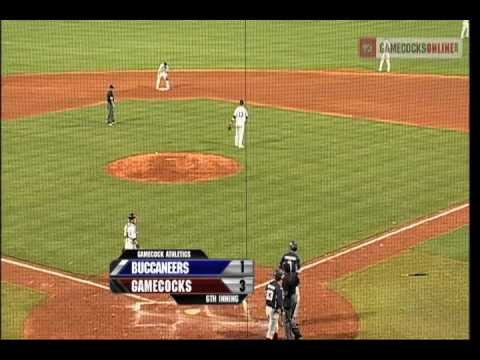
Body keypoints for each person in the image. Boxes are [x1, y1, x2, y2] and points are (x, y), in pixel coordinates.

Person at [279, 241, 301, 320]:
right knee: (296, 298)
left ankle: (282, 313)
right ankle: (293, 317)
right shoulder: (296, 257)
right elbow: (298, 271)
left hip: (285, 280)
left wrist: (283, 277)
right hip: (292, 280)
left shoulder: (285, 256)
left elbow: (280, 268)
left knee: (284, 296)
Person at [282, 261, 303, 340]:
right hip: (294, 298)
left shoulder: (285, 279)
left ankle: (290, 337)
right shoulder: (294, 275)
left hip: (288, 300)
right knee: (291, 317)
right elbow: (298, 283)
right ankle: (297, 334)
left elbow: (286, 292)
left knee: (287, 320)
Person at [265, 269, 284, 340]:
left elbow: (266, 290)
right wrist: (281, 310)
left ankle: (276, 337)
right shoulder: (279, 288)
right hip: (274, 309)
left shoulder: (270, 284)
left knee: (275, 326)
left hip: (267, 307)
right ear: (281, 278)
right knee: (271, 330)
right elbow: (279, 301)